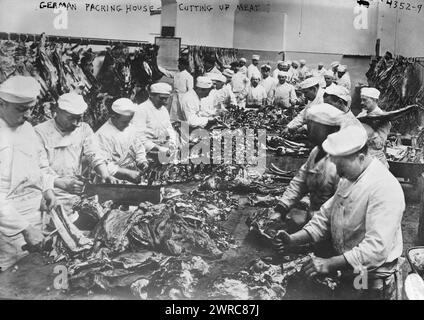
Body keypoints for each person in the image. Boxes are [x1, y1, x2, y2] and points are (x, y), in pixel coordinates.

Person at [275, 125, 405, 300]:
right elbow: (324, 218)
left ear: (360, 157)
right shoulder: (350, 178)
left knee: (364, 295)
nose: (337, 171)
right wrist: (293, 240)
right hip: (352, 270)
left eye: (340, 165)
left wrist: (329, 264)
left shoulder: (383, 187)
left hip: (369, 274)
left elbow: (375, 250)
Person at [0, 76, 56, 270]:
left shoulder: (28, 129)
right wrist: (24, 228)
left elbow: (42, 163)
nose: (29, 115)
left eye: (31, 108)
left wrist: (47, 188)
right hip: (7, 225)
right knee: (10, 280)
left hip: (35, 216)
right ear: (2, 104)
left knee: (35, 273)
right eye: (21, 109)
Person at [35, 92, 113, 216]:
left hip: (74, 193)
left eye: (79, 118)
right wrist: (60, 183)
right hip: (48, 194)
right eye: (71, 118)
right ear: (57, 111)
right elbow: (39, 169)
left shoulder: (84, 129)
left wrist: (104, 173)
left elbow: (94, 153)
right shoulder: (39, 132)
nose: (76, 123)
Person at [275, 104, 344, 228]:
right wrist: (281, 208)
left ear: (332, 130)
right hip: (312, 222)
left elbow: (341, 207)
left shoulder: (342, 162)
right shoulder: (316, 151)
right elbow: (300, 181)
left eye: (315, 127)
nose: (309, 130)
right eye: (309, 125)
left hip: (330, 227)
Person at [96, 98, 149, 183]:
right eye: (124, 122)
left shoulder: (130, 127)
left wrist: (142, 161)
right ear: (114, 117)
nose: (128, 125)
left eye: (129, 121)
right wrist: (127, 173)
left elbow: (138, 146)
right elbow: (102, 163)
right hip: (112, 178)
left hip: (133, 172)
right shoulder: (103, 134)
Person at [133, 83, 178, 158]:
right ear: (151, 95)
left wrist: (172, 143)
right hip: (146, 151)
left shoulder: (164, 110)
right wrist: (158, 148)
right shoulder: (142, 109)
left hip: (163, 148)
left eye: (166, 98)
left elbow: (169, 128)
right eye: (161, 98)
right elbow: (138, 136)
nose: (164, 101)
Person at [357, 87, 391, 167]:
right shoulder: (362, 115)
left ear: (375, 100)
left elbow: (379, 144)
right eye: (361, 100)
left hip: (376, 160)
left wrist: (369, 130)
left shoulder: (382, 118)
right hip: (362, 158)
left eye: (365, 100)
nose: (362, 103)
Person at [169, 58, 194, 123]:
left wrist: (188, 101)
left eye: (180, 64)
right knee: (174, 115)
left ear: (185, 66)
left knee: (183, 116)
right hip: (175, 97)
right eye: (178, 64)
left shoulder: (189, 76)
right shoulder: (176, 74)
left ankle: (184, 131)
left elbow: (190, 91)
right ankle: (175, 131)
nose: (179, 66)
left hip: (183, 98)